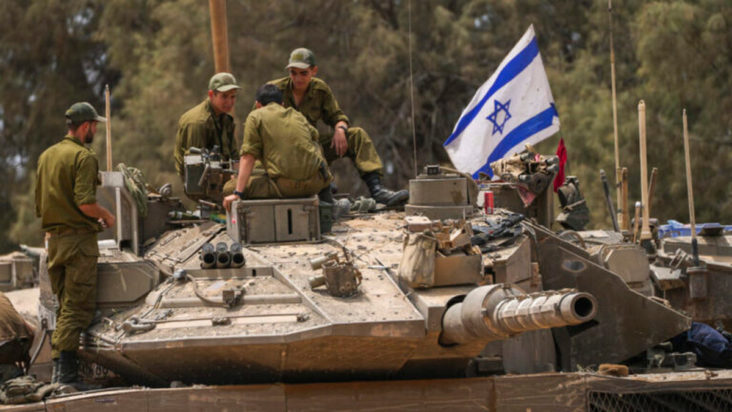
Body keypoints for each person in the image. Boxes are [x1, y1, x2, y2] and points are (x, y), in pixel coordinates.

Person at [35, 102, 115, 388]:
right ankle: (65, 375)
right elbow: (85, 203)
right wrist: (106, 215)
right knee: (77, 308)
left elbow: (39, 204)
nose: (95, 131)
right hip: (78, 243)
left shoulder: (46, 156)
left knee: (64, 307)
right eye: (94, 126)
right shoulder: (84, 157)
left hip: (54, 242)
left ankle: (61, 373)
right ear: (86, 126)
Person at [265, 48, 408, 206]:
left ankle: (377, 190)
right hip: (284, 155)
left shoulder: (320, 90)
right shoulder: (274, 90)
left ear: (314, 71)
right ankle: (322, 183)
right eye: (293, 73)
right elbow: (257, 124)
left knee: (356, 135)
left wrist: (340, 129)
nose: (298, 78)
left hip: (314, 149)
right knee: (310, 145)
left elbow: (337, 116)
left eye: (303, 73)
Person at [223, 84, 334, 211]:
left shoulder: (255, 116)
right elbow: (315, 135)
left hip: (285, 188)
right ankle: (329, 201)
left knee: (229, 187)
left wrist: (238, 193)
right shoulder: (296, 115)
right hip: (316, 184)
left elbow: (248, 157)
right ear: (282, 104)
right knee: (315, 145)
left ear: (258, 104)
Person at [174, 72, 240, 179]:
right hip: (201, 181)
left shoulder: (225, 119)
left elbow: (234, 157)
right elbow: (194, 167)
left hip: (222, 177)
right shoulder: (198, 122)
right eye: (224, 96)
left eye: (232, 97)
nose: (229, 102)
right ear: (211, 95)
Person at [0, 292, 34, 382]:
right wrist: (25, 354)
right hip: (18, 344)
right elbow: (30, 331)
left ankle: (8, 372)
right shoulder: (1, 295)